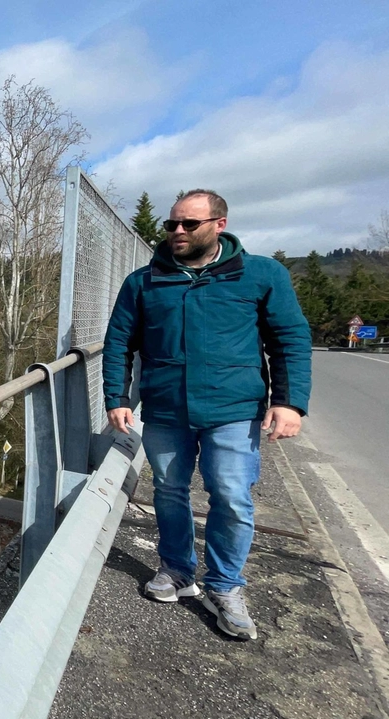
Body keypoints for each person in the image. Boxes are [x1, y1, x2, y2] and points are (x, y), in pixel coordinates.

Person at [102, 189, 311, 640]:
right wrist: (116, 397)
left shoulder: (259, 275)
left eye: (189, 224)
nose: (177, 231)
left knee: (232, 496)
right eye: (171, 224)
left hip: (233, 408)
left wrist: (289, 402)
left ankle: (225, 586)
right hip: (166, 407)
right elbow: (119, 342)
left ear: (219, 224)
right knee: (170, 492)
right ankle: (177, 570)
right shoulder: (144, 281)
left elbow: (289, 340)